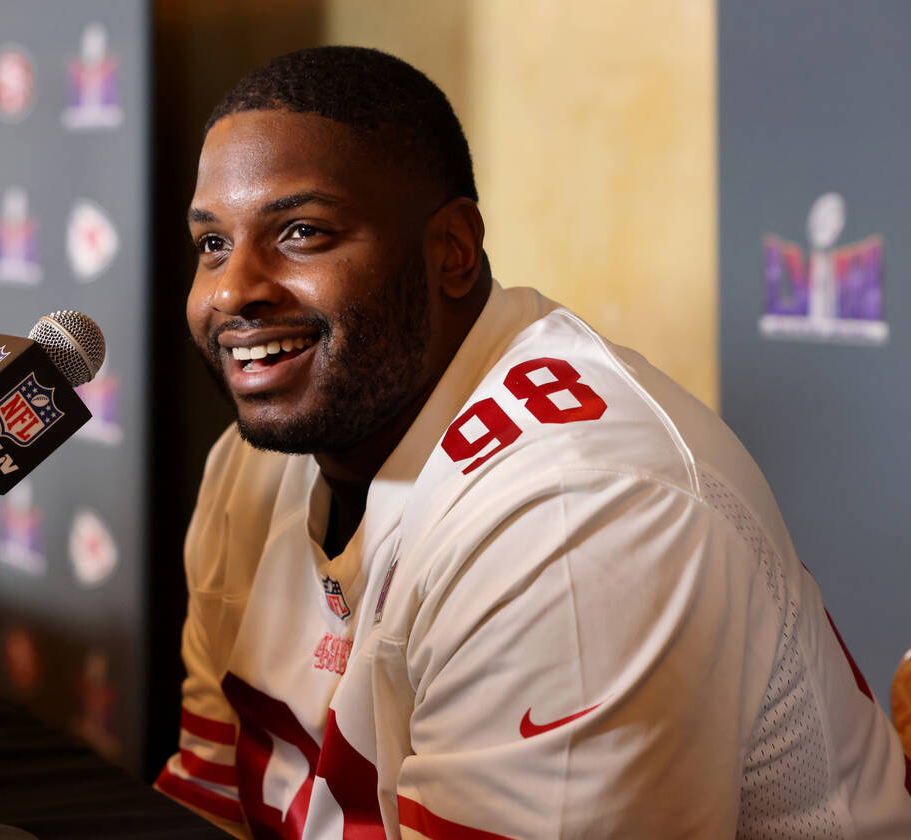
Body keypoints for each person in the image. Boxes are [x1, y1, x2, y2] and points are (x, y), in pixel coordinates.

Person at [155, 46, 911, 839]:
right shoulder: (252, 465)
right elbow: (210, 800)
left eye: (302, 232)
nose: (233, 290)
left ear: (452, 250)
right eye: (212, 244)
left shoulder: (577, 515)